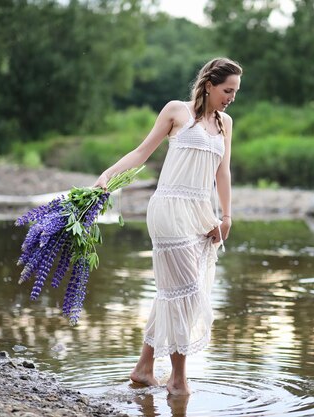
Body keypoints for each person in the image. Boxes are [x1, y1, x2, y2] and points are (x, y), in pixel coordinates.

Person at [93, 57, 242, 396]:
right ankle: (178, 379)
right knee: (186, 291)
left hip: (200, 213)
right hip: (169, 209)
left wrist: (226, 216)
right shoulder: (177, 112)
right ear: (209, 85)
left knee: (174, 292)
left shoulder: (225, 123)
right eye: (227, 90)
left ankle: (144, 368)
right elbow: (143, 152)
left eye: (235, 92)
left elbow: (223, 171)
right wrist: (107, 178)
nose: (231, 97)